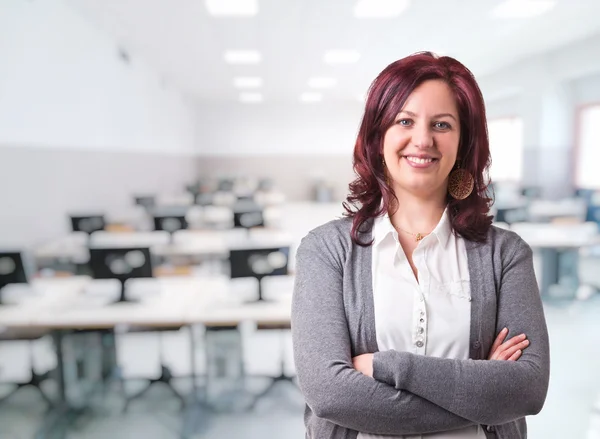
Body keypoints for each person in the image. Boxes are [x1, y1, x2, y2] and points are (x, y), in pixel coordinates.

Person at [291, 52, 550, 439]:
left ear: (463, 142)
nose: (423, 139)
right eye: (405, 121)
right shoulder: (325, 251)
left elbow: (526, 389)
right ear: (379, 137)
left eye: (442, 124)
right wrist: (481, 396)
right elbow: (332, 395)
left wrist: (384, 368)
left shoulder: (505, 255)